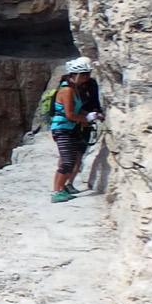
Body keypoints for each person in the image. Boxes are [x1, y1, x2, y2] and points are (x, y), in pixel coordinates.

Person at [49, 57, 102, 202]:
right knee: (66, 161)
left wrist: (92, 115)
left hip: (69, 128)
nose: (86, 77)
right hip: (63, 128)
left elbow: (79, 109)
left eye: (87, 74)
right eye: (83, 74)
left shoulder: (74, 89)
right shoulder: (67, 90)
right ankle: (56, 191)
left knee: (70, 160)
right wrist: (87, 119)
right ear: (74, 74)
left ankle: (61, 189)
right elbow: (70, 114)